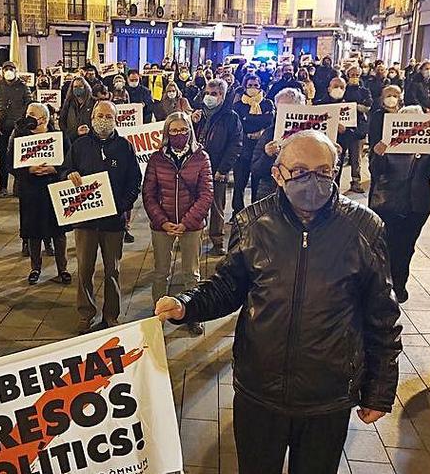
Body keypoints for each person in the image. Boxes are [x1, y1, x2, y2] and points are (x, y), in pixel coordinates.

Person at [155, 129, 402, 474]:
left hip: (326, 396)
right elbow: (229, 286)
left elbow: (382, 314)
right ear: (277, 173)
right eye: (300, 171)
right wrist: (186, 305)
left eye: (323, 172)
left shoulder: (362, 227)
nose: (312, 180)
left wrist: (379, 389)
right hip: (260, 391)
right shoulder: (254, 222)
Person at [62, 100, 142, 334]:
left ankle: (111, 315)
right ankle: (85, 314)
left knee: (112, 271)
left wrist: (121, 206)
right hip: (85, 222)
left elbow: (134, 181)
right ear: (92, 116)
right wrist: (69, 174)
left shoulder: (125, 147)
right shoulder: (80, 145)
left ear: (116, 120)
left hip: (113, 222)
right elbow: (64, 170)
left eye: (109, 116)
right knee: (85, 269)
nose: (103, 120)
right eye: (100, 115)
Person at [368, 96, 430, 302]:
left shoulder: (427, 148)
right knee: (387, 245)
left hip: (416, 206)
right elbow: (376, 173)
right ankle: (382, 285)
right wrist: (379, 155)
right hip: (388, 204)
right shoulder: (389, 146)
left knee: (406, 247)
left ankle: (399, 285)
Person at [143, 112, 212, 336]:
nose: (179, 134)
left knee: (191, 273)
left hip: (190, 225)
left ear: (190, 131)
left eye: (183, 130)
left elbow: (206, 194)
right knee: (161, 272)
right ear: (166, 133)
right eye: (173, 131)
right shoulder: (156, 158)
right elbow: (148, 194)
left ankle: (193, 313)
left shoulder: (201, 158)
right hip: (162, 225)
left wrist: (186, 222)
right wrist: (162, 222)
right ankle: (159, 315)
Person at [10, 103, 71, 285]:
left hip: (53, 189)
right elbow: (10, 164)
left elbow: (70, 161)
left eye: (32, 115)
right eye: (27, 113)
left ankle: (63, 269)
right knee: (33, 233)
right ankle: (35, 268)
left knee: (58, 233)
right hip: (31, 191)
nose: (27, 117)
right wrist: (28, 170)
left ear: (43, 119)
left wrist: (55, 169)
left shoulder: (59, 137)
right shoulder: (20, 138)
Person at [192, 78, 242, 256]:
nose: (209, 97)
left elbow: (235, 145)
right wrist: (192, 122)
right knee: (195, 203)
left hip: (217, 168)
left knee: (216, 205)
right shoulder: (200, 114)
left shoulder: (230, 117)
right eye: (207, 93)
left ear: (222, 95)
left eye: (214, 94)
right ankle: (193, 237)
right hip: (196, 167)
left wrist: (223, 169)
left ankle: (217, 240)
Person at [317, 76, 369, 193]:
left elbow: (359, 130)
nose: (338, 89)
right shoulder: (320, 104)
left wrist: (346, 130)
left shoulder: (350, 107)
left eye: (342, 87)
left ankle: (335, 192)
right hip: (323, 146)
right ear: (329, 88)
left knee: (337, 170)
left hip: (343, 143)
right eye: (335, 87)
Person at [231, 74, 274, 214]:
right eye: (250, 85)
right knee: (240, 183)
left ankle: (256, 213)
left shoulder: (267, 103)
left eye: (256, 85)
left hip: (260, 148)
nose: (253, 88)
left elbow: (269, 120)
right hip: (243, 147)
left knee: (257, 182)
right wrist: (256, 122)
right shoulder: (238, 105)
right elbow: (240, 124)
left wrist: (249, 120)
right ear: (244, 86)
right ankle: (237, 213)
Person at [0, 61, 31, 198]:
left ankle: (19, 185)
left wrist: (26, 125)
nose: (8, 71)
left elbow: (29, 104)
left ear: (16, 70)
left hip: (19, 128)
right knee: (3, 159)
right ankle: (2, 186)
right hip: (2, 128)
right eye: (6, 69)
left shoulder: (23, 87)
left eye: (11, 68)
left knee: (20, 158)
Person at [59, 75, 95, 143]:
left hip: (90, 140)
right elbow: (62, 122)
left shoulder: (94, 102)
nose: (77, 89)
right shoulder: (68, 103)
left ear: (85, 88)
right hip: (72, 141)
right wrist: (74, 133)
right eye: (75, 87)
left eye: (80, 86)